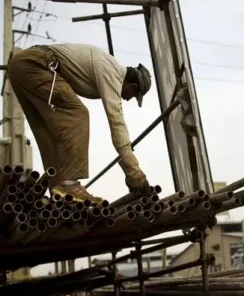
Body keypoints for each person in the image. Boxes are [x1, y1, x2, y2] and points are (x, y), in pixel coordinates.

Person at [7, 43, 152, 204]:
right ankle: (69, 184)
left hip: (20, 67)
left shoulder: (107, 67)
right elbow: (117, 123)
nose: (128, 99)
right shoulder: (113, 74)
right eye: (133, 95)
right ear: (133, 86)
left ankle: (58, 190)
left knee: (50, 131)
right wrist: (133, 171)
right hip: (37, 64)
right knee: (78, 115)